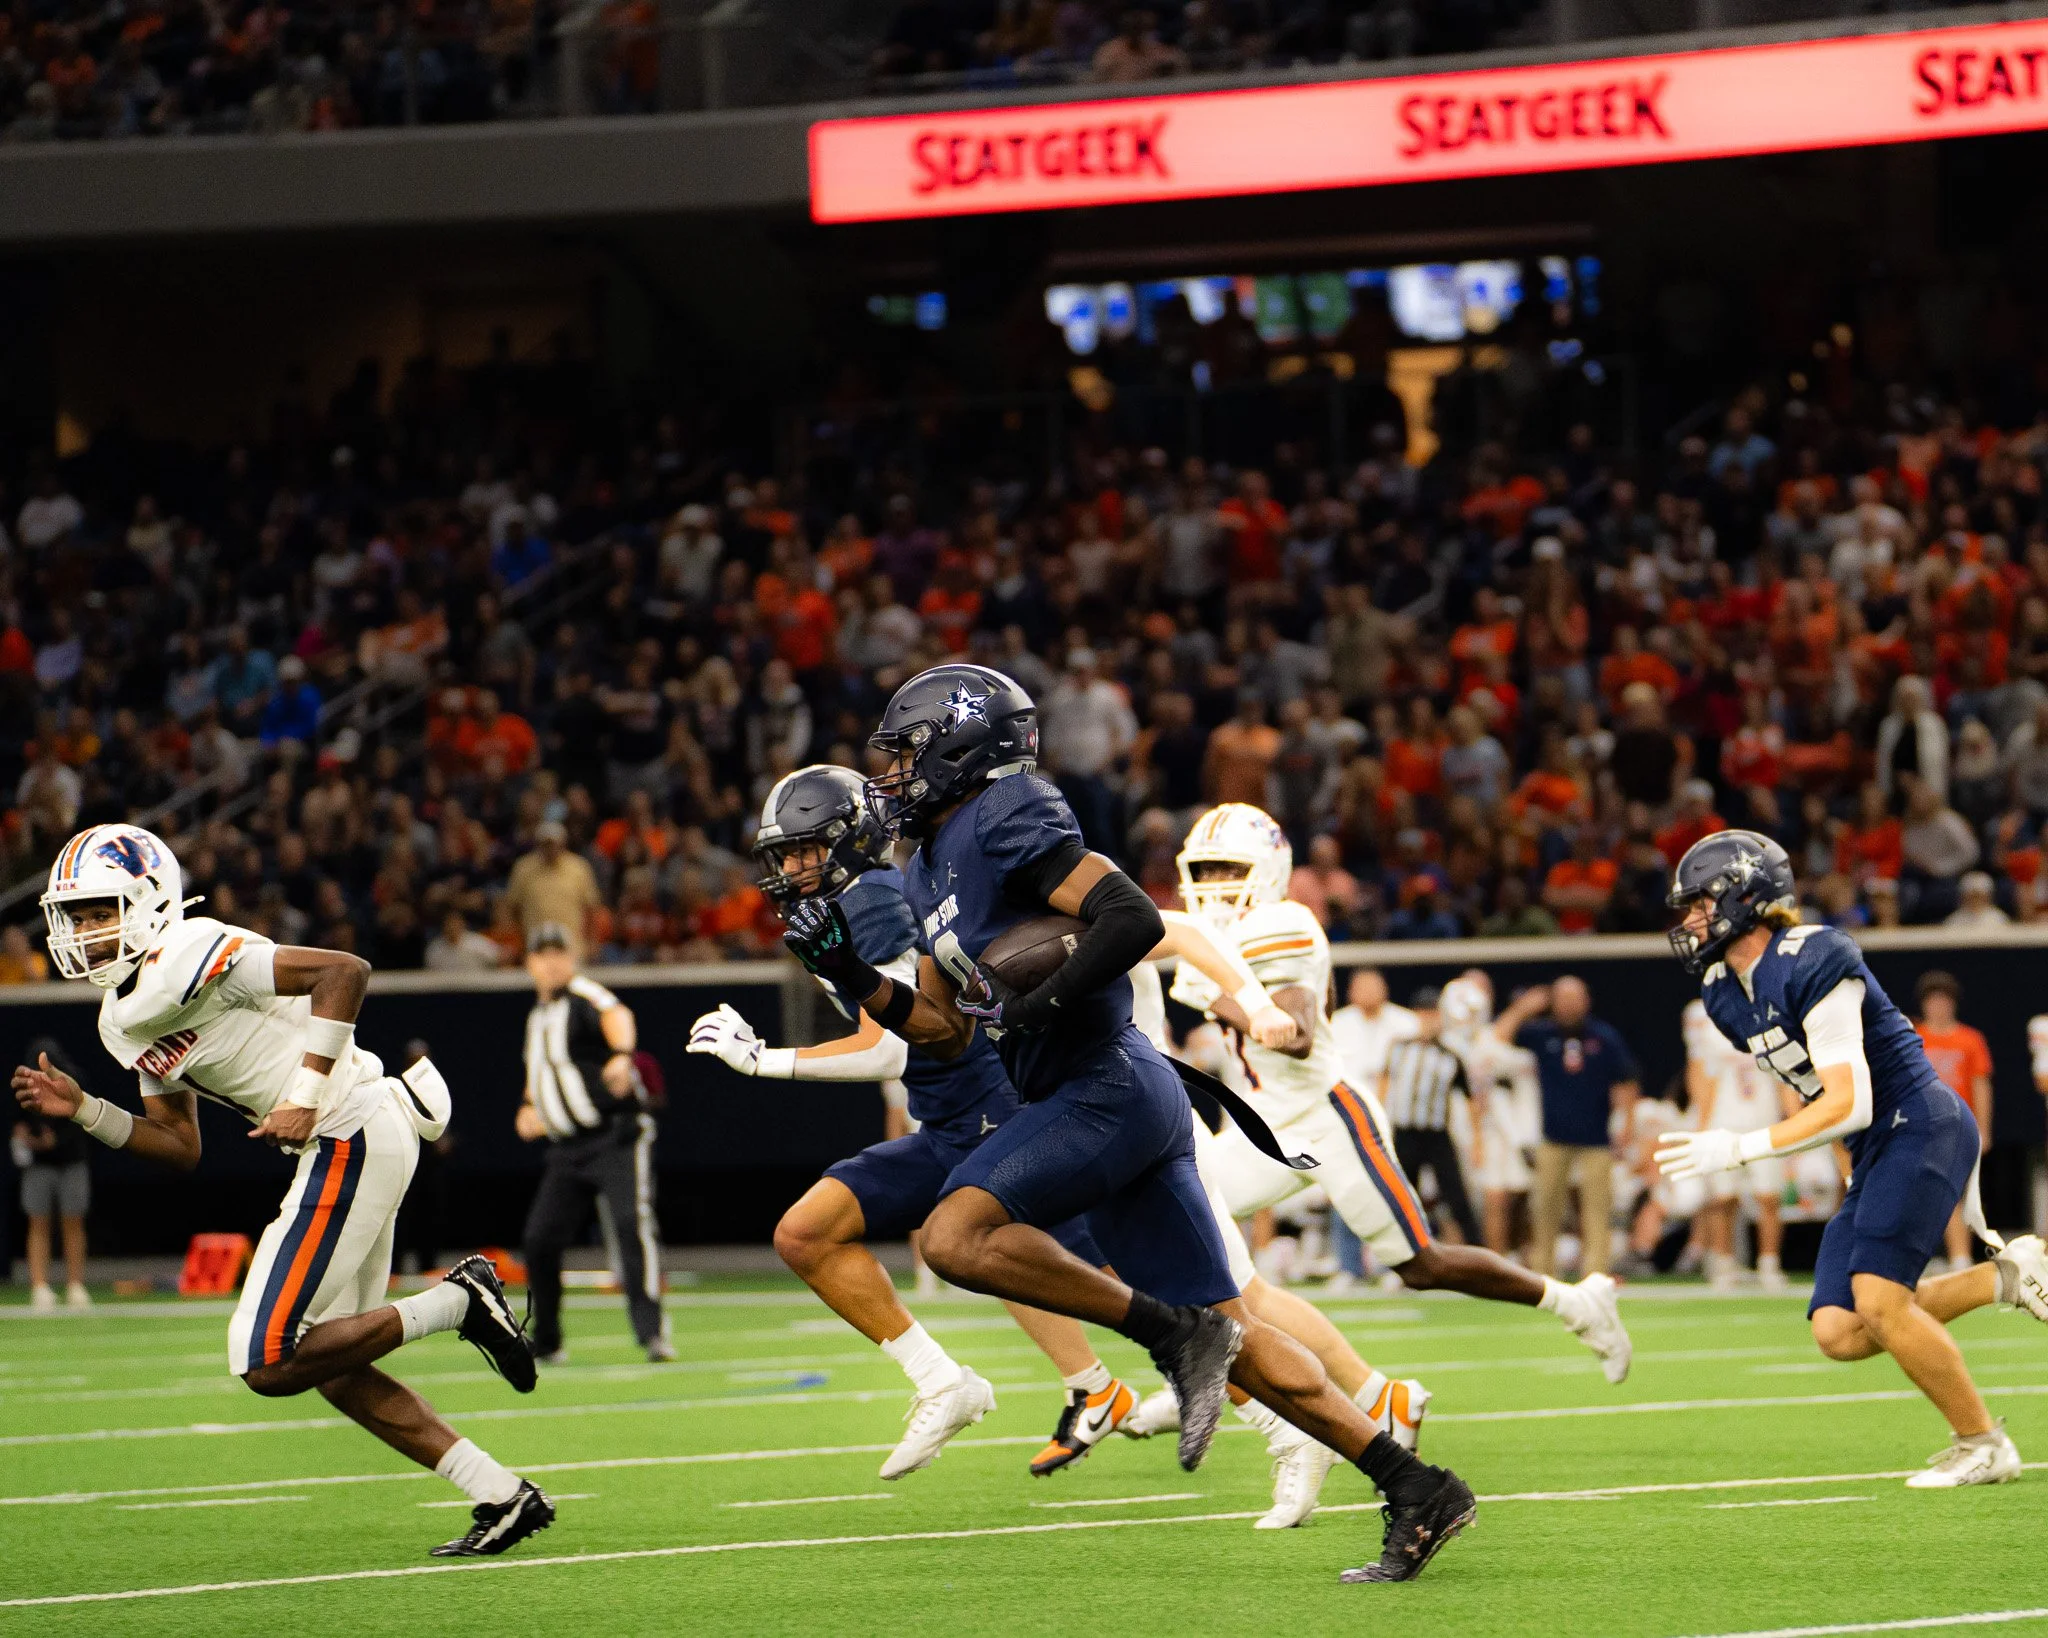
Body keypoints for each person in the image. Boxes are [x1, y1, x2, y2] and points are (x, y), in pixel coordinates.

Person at [792, 664, 1476, 1583]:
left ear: (962, 747)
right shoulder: (921, 864)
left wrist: (1046, 1002)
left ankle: (1169, 1338)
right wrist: (854, 975)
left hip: (1105, 1081)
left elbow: (1124, 914)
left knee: (956, 1235)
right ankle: (1416, 1485)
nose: (898, 772)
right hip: (1097, 1096)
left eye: (910, 751)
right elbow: (945, 1028)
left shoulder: (1005, 813)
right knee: (1245, 1342)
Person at [14, 824, 552, 1556]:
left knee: (264, 1356)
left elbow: (345, 972)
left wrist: (303, 1093)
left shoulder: (187, 951)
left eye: (97, 911)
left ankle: (461, 1299)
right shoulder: (119, 1019)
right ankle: (500, 1493)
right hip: (350, 1134)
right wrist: (84, 1110)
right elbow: (178, 1146)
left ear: (148, 901)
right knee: (328, 1365)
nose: (82, 932)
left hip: (348, 1127)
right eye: (73, 917)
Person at [691, 764, 1139, 1480]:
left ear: (848, 841)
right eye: (785, 855)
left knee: (1124, 1272)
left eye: (805, 850)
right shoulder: (845, 900)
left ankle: (1266, 1397)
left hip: (993, 1113)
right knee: (807, 1234)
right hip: (948, 1124)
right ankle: (951, 1382)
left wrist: (762, 1061)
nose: (791, 869)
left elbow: (893, 1041)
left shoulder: (871, 898)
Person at [1169, 804, 1631, 1386]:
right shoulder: (1221, 935)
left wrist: (1226, 1000)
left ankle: (1575, 1302)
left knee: (1419, 1263)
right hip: (1266, 1124)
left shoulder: (1282, 923)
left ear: (1268, 870)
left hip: (1325, 1119)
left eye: (1228, 871)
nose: (1212, 887)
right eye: (1205, 872)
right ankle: (1229, 1390)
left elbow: (1298, 1032)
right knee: (1180, 1224)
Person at [1659, 829, 2048, 1488]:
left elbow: (1851, 1099)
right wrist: (1844, 1160)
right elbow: (1809, 1086)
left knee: (1879, 1298)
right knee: (1839, 1330)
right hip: (1875, 1144)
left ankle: (1983, 1442)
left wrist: (1740, 1147)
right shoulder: (1725, 994)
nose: (1690, 920)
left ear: (1743, 896)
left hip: (1918, 1121)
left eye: (1700, 902)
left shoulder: (1814, 956)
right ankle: (2003, 1279)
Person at [515, 923, 672, 1364]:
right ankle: (548, 1340)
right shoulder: (537, 1016)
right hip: (567, 1148)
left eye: (558, 953)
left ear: (572, 957)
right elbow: (541, 1070)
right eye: (542, 955)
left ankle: (653, 1334)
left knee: (629, 1225)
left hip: (615, 1136)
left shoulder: (585, 995)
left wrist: (622, 1055)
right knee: (539, 1239)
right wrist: (529, 1105)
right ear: (529, 964)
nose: (551, 963)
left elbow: (617, 1014)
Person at [1498, 976, 1641, 1278]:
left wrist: (1626, 1125)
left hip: (1597, 1138)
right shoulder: (1541, 1034)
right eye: (1563, 998)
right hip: (1553, 1138)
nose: (1570, 1004)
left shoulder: (1604, 1037)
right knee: (1544, 1210)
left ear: (1587, 1000)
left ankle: (1596, 1274)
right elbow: (1500, 1035)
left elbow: (1626, 1081)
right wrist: (1524, 1008)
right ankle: (1544, 1273)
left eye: (1575, 997)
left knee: (1597, 1212)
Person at [1682, 1000, 1788, 1291]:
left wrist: (1793, 1117)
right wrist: (1702, 1124)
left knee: (1769, 1198)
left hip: (1763, 1121)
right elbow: (1700, 1073)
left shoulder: (1769, 1016)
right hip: (1723, 1122)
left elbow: (1783, 1077)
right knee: (1723, 1199)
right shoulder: (1709, 1024)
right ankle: (1724, 1264)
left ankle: (1769, 1264)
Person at [1438, 972, 1542, 1259]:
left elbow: (1509, 1051)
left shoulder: (1489, 1041)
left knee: (1499, 1197)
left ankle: (1497, 1262)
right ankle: (1454, 1264)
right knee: (1454, 1202)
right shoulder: (1442, 1042)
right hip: (1451, 1128)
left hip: (1491, 1129)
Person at [1380, 989, 1482, 1245]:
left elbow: (1470, 1099)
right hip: (1404, 1131)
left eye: (1433, 1013)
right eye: (1423, 1013)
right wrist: (1379, 1123)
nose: (1428, 1019)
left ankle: (1478, 1253)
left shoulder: (1450, 1055)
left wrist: (1477, 1141)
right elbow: (1384, 1084)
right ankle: (1402, 1254)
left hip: (1436, 1134)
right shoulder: (1399, 1048)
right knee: (1401, 1197)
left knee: (1457, 1198)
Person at [1913, 972, 1995, 1275]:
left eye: (1944, 1000)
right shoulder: (1914, 1037)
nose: (1939, 1007)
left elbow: (1981, 1085)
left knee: (1954, 1192)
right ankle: (1931, 1256)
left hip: (1957, 1125)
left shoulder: (1970, 1040)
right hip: (1921, 1126)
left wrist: (1984, 1129)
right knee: (1920, 1194)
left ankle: (1960, 1257)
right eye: (1933, 1000)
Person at [13, 1035, 93, 1310]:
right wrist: (24, 1135)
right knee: (38, 1223)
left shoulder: (74, 1079)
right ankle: (40, 1286)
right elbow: (17, 1121)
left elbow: (84, 1120)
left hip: (71, 1162)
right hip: (39, 1166)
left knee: (73, 1223)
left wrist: (56, 1141)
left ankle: (75, 1285)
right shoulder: (22, 1085)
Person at [1329, 969, 1418, 1093]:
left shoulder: (1407, 1021)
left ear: (1385, 989)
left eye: (1373, 987)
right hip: (1349, 1096)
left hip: (1395, 1097)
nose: (1369, 993)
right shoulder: (1335, 1023)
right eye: (1363, 988)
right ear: (1350, 992)